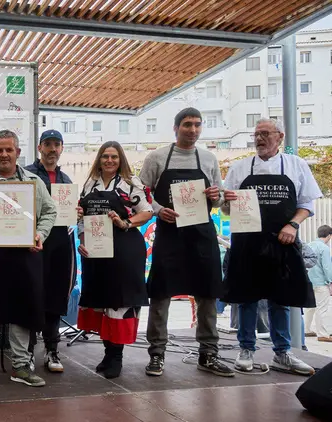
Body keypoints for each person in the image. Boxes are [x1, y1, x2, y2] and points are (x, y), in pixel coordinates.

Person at [222, 118, 322, 375]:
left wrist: (293, 225)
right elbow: (224, 208)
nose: (259, 139)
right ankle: (246, 349)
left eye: (265, 134)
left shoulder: (296, 165)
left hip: (283, 241)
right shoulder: (239, 168)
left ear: (280, 137)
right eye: (256, 134)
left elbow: (307, 205)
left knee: (281, 298)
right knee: (246, 297)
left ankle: (283, 352)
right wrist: (226, 201)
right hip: (246, 243)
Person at [139, 107, 234, 378]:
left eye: (197, 125)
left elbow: (218, 200)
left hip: (202, 234)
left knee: (207, 292)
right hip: (169, 234)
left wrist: (217, 195)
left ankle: (208, 354)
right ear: (176, 128)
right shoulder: (157, 157)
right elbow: (140, 193)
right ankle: (156, 354)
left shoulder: (208, 158)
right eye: (187, 125)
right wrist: (158, 210)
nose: (192, 130)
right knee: (161, 293)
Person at [0, 130, 56, 388]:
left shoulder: (34, 182)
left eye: (9, 150)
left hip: (24, 256)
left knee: (23, 310)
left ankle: (20, 365)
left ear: (18, 152)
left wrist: (40, 234)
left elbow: (50, 212)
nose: (4, 154)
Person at [76, 141, 153, 379]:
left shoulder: (131, 183)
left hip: (125, 249)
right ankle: (108, 353)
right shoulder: (90, 184)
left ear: (121, 160)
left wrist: (126, 222)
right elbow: (81, 217)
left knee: (119, 302)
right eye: (105, 156)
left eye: (114, 157)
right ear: (98, 159)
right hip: (97, 251)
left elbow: (147, 211)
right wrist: (82, 238)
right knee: (102, 299)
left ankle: (116, 357)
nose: (109, 161)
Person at [24, 129, 76, 373]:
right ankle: (27, 351)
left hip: (60, 242)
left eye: (57, 144)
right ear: (39, 148)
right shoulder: (26, 174)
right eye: (48, 144)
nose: (52, 149)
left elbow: (68, 216)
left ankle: (52, 350)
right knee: (32, 294)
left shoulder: (66, 180)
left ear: (62, 149)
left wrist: (77, 213)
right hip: (33, 240)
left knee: (56, 295)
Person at [305, 225, 332, 342]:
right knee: (322, 308)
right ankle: (323, 334)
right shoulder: (324, 248)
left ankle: (306, 330)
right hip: (321, 282)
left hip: (309, 281)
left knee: (309, 307)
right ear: (329, 236)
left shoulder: (309, 245)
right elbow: (327, 267)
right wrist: (330, 281)